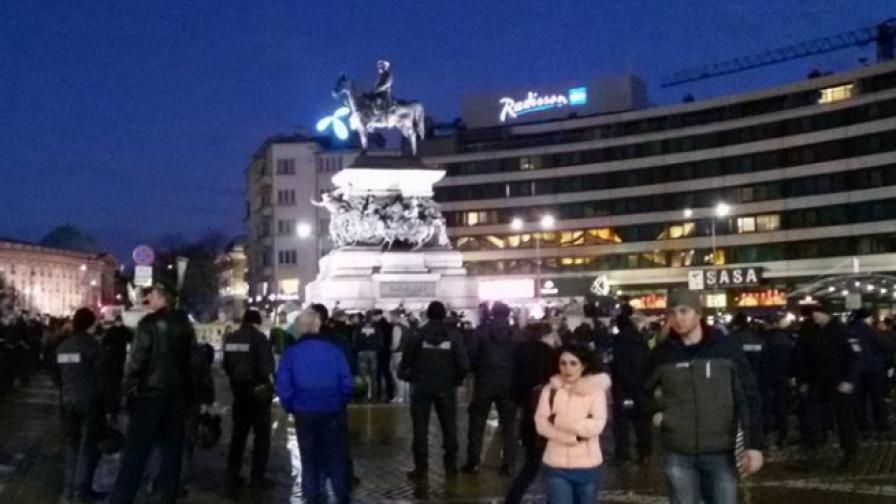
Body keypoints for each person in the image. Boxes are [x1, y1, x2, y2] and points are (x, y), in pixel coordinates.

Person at [644, 290, 764, 504]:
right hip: (678, 452)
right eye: (672, 312)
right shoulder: (663, 354)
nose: (678, 318)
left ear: (698, 313)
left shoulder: (726, 350)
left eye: (684, 311)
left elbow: (748, 396)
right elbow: (642, 391)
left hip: (721, 452)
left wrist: (753, 445)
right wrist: (655, 412)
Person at [108, 282, 213, 504]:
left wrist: (126, 392)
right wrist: (204, 394)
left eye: (152, 296)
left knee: (136, 450)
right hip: (177, 396)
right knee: (172, 451)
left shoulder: (148, 324)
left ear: (162, 298)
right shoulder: (184, 324)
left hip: (149, 396)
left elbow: (136, 362)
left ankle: (122, 497)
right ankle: (168, 496)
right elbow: (196, 362)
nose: (149, 300)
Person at [276, 308, 354, 504]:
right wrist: (340, 401)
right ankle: (342, 495)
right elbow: (346, 381)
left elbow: (283, 384)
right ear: (318, 325)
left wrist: (291, 405)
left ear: (300, 328)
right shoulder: (333, 350)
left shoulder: (292, 352)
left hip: (304, 410)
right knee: (334, 457)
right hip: (331, 409)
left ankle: (313, 496)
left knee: (309, 459)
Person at [399, 301, 470, 480]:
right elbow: (463, 364)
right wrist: (455, 380)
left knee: (420, 429)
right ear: (444, 315)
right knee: (449, 427)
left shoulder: (418, 335)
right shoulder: (453, 336)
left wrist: (412, 376)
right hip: (445, 387)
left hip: (422, 387)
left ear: (428, 315)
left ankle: (421, 468)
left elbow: (405, 364)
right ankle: (451, 466)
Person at [534, 344, 610, 504]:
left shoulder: (595, 390)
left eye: (573, 363)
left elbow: (596, 424)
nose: (567, 368)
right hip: (555, 464)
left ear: (584, 365)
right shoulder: (551, 389)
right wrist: (572, 437)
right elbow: (541, 423)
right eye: (563, 363)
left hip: (587, 465)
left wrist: (558, 421)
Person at [792, 302, 861, 468]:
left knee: (844, 420)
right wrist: (804, 381)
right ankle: (813, 454)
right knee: (812, 418)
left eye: (816, 312)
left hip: (838, 382)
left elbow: (854, 358)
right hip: (818, 382)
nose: (814, 316)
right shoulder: (812, 331)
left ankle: (850, 454)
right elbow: (804, 359)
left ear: (825, 313)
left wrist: (848, 380)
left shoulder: (841, 331)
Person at [464, 301, 520, 475]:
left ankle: (473, 462)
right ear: (508, 314)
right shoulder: (516, 334)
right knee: (509, 426)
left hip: (484, 382)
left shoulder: (481, 332)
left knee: (477, 424)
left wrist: (475, 370)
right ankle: (509, 464)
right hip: (509, 383)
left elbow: (470, 356)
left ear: (491, 313)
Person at [57, 308, 107, 503]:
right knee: (87, 447)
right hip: (89, 401)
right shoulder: (93, 346)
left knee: (72, 446)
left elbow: (57, 374)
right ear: (89, 324)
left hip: (68, 401)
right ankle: (81, 491)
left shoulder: (62, 347)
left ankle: (67, 491)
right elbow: (101, 376)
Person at [223, 309, 275, 491]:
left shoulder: (230, 338)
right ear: (257, 322)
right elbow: (267, 367)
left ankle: (232, 477)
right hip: (257, 394)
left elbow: (226, 365)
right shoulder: (260, 339)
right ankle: (257, 479)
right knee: (261, 438)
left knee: (238, 436)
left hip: (239, 393)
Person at [505, 322, 556, 504]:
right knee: (550, 465)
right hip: (547, 417)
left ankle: (513, 498)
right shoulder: (549, 354)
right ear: (544, 335)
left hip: (528, 413)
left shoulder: (519, 351)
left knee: (531, 463)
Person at [609, 304, 652, 464]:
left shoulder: (618, 342)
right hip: (641, 387)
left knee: (622, 425)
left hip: (623, 389)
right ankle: (645, 453)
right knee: (641, 422)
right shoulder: (641, 341)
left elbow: (618, 366)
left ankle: (623, 455)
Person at [850, 308, 890, 433]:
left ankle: (862, 425)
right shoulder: (871, 331)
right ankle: (881, 424)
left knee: (860, 400)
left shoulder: (851, 331)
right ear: (866, 318)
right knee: (877, 399)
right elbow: (884, 346)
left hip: (857, 370)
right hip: (874, 369)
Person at [765, 312, 796, 448]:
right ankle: (783, 432)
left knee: (770, 403)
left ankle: (772, 429)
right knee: (782, 404)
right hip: (783, 376)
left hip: (770, 375)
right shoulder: (786, 339)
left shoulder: (766, 339)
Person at [102, 315, 132, 423]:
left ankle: (114, 403)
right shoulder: (124, 330)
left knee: (114, 380)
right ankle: (116, 397)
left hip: (115, 357)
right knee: (116, 380)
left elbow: (105, 342)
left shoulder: (113, 330)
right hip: (117, 357)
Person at [354, 312, 384, 402]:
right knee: (373, 376)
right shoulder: (377, 327)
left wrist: (357, 349)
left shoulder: (359, 327)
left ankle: (363, 396)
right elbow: (380, 341)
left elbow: (355, 339)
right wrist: (377, 349)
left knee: (363, 376)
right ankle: (374, 397)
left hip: (361, 352)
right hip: (373, 352)